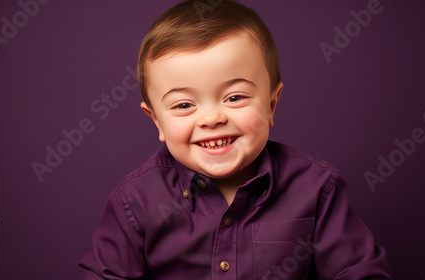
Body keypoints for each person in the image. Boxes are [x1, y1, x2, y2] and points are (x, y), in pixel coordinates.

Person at [78, 1, 392, 279]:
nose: (212, 118)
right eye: (184, 105)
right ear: (157, 121)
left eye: (235, 97)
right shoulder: (135, 201)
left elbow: (359, 271)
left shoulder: (317, 188)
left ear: (271, 104)